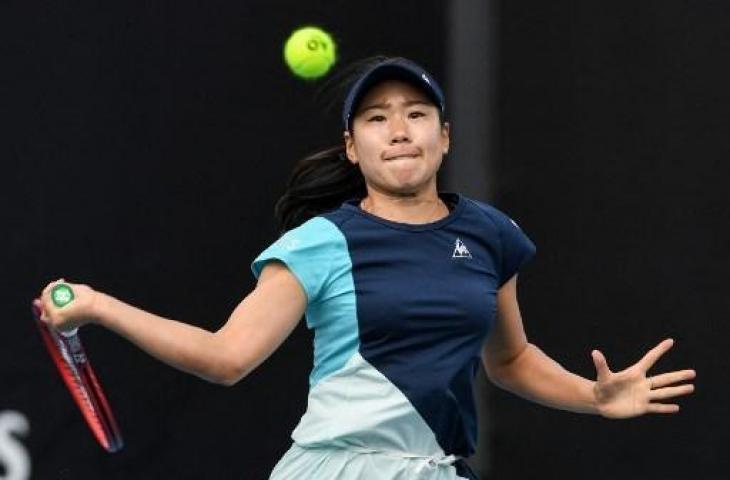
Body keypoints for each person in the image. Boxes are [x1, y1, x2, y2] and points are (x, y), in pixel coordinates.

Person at [37, 57, 696, 480]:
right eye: (377, 119)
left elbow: (511, 358)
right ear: (354, 148)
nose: (399, 129)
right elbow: (225, 356)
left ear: (445, 136)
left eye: (416, 114)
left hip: (438, 470)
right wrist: (97, 305)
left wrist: (593, 395)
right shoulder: (321, 242)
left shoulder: (490, 235)